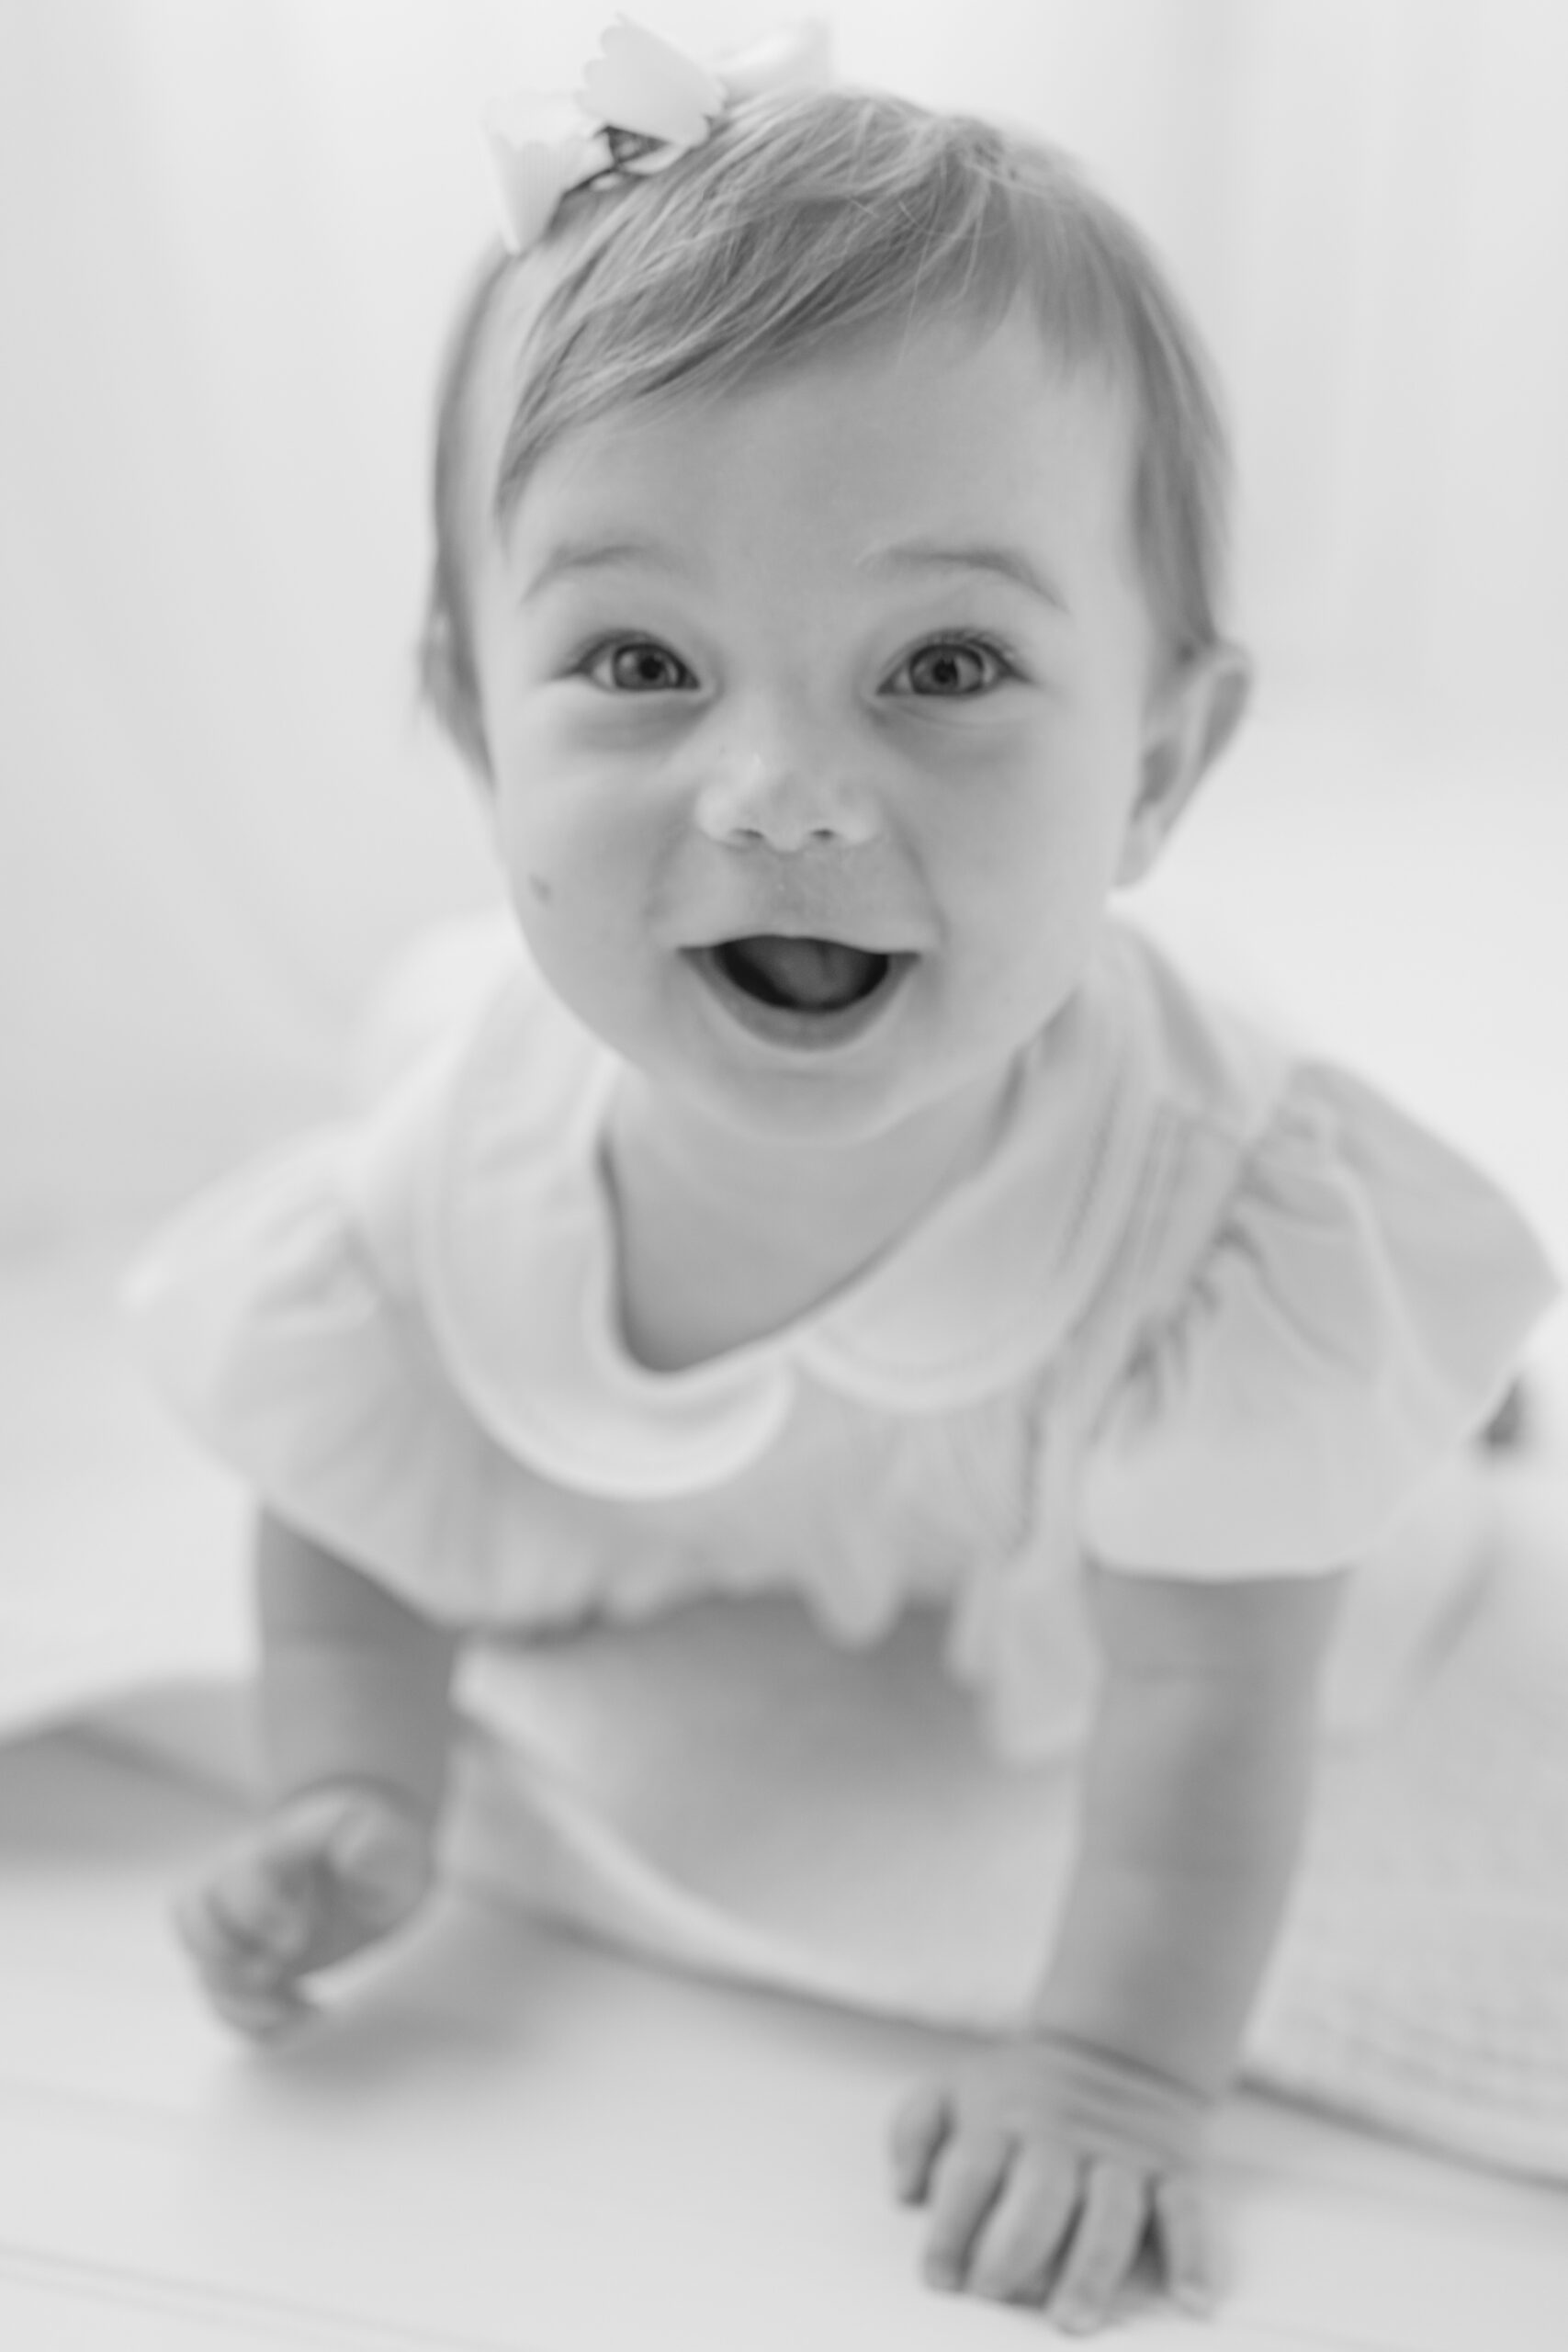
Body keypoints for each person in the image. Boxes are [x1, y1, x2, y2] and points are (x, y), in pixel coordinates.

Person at [126, 18, 1561, 2335]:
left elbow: (1205, 1708)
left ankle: (1429, 1411)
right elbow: (353, 1493)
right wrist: (361, 1777)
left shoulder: (1208, 1232)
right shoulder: (458, 1177)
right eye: (635, 657)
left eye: (946, 662)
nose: (782, 789)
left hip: (1082, 1339)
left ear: (1159, 761)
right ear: (476, 720)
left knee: (1301, 1520)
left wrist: (1108, 2062)